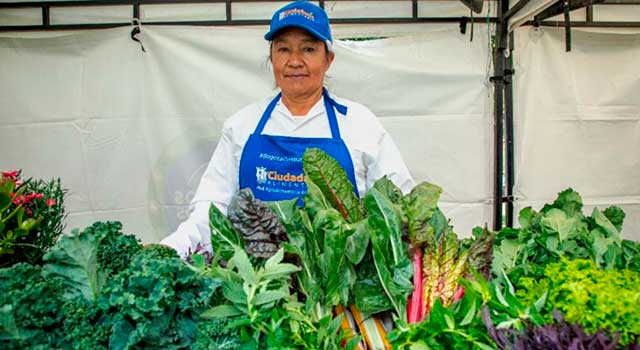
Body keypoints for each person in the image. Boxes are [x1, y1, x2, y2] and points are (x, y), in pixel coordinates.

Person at [161, 0, 414, 257]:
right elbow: (212, 208)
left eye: (308, 49)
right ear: (271, 58)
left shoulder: (360, 123)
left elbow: (398, 205)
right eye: (283, 49)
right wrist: (173, 247)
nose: (294, 61)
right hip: (259, 285)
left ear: (328, 60)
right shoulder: (242, 124)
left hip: (341, 285)